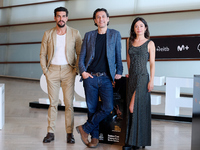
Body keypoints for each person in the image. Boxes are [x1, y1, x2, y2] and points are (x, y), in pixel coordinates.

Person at [76, 8, 123, 148]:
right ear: (95, 20)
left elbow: (118, 55)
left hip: (106, 78)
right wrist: (83, 72)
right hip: (90, 77)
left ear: (108, 19)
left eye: (103, 16)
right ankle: (94, 137)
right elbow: (81, 57)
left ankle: (85, 128)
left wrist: (119, 70)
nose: (101, 19)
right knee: (92, 108)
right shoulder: (89, 35)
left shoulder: (115, 34)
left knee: (108, 107)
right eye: (98, 17)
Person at [40, 7, 82, 143]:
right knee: (52, 103)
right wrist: (45, 71)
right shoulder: (48, 34)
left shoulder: (75, 33)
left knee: (69, 104)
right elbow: (42, 54)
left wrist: (76, 70)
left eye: (64, 16)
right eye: (58, 16)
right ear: (55, 18)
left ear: (67, 18)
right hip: (51, 71)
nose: (61, 19)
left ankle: (69, 133)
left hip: (68, 71)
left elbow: (80, 53)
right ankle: (50, 133)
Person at [123, 17, 155, 150]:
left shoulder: (150, 43)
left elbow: (152, 63)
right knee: (131, 111)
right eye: (136, 26)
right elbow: (128, 59)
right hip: (132, 78)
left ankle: (137, 140)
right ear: (133, 29)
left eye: (141, 26)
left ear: (145, 28)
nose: (139, 28)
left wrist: (151, 80)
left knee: (134, 107)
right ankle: (132, 142)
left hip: (142, 77)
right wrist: (129, 72)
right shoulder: (129, 41)